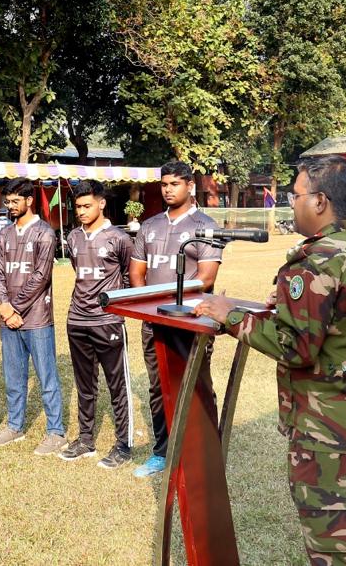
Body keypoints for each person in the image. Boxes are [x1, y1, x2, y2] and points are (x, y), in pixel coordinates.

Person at [196, 155, 346, 565]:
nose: (290, 203)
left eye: (295, 195)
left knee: (338, 548)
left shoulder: (314, 261)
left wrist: (230, 316)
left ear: (320, 201)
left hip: (332, 435)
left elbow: (296, 348)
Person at [129, 160, 221, 478]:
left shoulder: (205, 226)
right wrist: (149, 307)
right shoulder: (150, 225)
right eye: (164, 184)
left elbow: (206, 278)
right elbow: (137, 273)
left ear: (189, 186)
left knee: (197, 385)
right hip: (155, 322)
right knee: (159, 387)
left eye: (175, 184)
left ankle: (207, 448)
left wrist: (175, 304)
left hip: (191, 322)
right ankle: (162, 452)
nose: (168, 190)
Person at [61, 180, 135, 469]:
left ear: (101, 204)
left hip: (108, 322)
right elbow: (79, 271)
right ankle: (85, 439)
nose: (81, 211)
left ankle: (124, 444)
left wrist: (113, 307)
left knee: (117, 385)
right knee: (85, 383)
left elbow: (129, 277)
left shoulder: (119, 238)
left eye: (87, 206)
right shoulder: (73, 237)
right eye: (78, 206)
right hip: (77, 320)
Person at [0, 177, 66, 455]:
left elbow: (41, 276)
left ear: (29, 200)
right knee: (13, 376)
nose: (10, 206)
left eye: (15, 201)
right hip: (9, 317)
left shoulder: (45, 233)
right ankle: (14, 425)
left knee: (47, 377)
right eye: (7, 201)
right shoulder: (4, 234)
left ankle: (56, 432)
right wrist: (4, 304)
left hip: (36, 318)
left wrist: (14, 307)